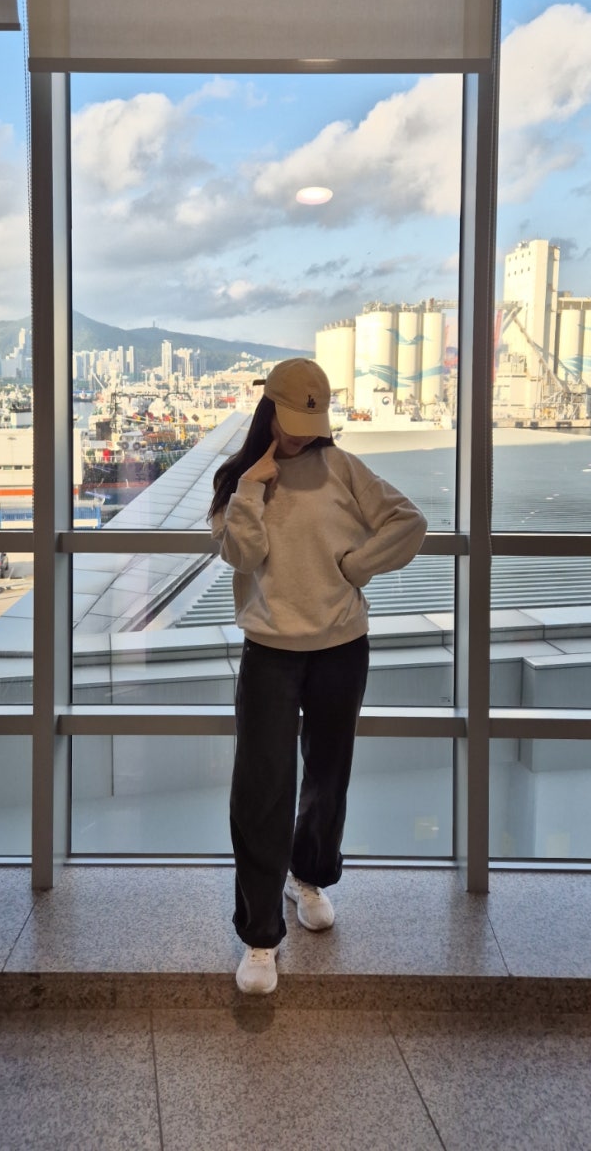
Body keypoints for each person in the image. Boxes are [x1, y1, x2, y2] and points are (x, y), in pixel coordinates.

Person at [209, 358, 427, 994]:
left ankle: (308, 877)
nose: (303, 434)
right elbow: (243, 554)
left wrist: (355, 567)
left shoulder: (343, 469)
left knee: (328, 775)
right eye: (292, 420)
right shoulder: (238, 480)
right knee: (261, 789)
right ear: (269, 411)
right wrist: (252, 489)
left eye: (313, 422)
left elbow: (409, 523)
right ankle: (259, 936)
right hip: (270, 651)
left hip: (341, 647)